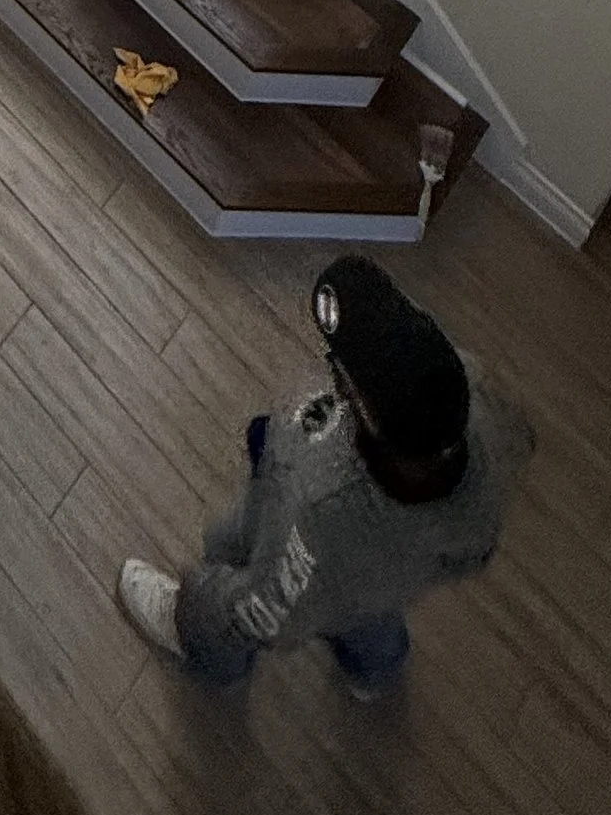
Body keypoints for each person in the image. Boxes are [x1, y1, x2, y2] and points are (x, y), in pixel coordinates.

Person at [119, 254, 532, 697]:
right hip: (394, 571)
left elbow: (264, 611)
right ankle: (373, 667)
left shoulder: (320, 516)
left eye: (340, 371)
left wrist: (200, 610)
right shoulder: (480, 400)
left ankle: (199, 642)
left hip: (304, 533)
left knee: (241, 552)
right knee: (369, 608)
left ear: (369, 417)